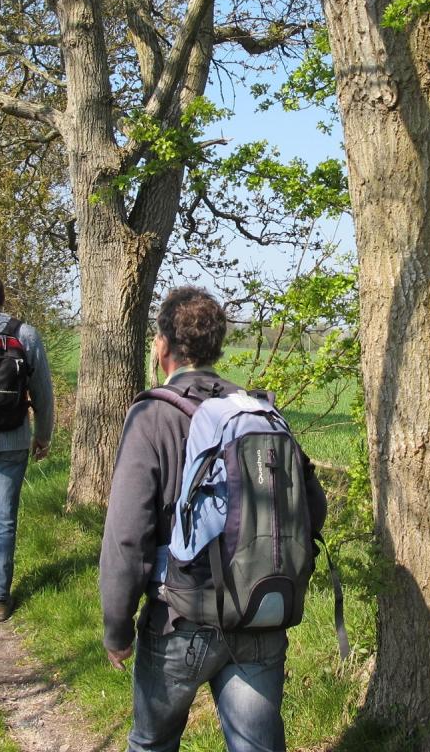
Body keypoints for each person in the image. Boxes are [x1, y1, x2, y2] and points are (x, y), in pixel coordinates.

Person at [100, 286, 327, 752]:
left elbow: (128, 535)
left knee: (151, 744)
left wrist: (117, 628)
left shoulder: (152, 415)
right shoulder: (257, 411)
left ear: (162, 344)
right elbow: (313, 509)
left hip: (179, 616)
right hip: (258, 611)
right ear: (217, 347)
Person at [0, 274, 54, 622]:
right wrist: (43, 435)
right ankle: (0, 599)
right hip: (15, 439)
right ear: (3, 298)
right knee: (5, 517)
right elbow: (43, 392)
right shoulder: (27, 334)